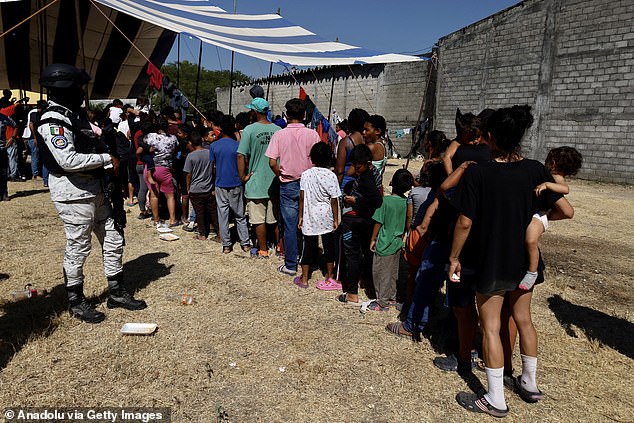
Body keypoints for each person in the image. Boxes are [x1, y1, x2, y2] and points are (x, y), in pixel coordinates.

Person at [448, 105, 574, 417]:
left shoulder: (479, 172)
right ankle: (529, 384)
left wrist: (454, 258)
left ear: (489, 136)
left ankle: (494, 398)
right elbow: (566, 211)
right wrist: (539, 222)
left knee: (490, 326)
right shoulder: (534, 170)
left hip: (491, 261)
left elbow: (464, 223)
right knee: (524, 319)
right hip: (525, 264)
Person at [36, 63, 146, 323]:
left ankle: (116, 292)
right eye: (78, 87)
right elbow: (67, 160)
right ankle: (76, 300)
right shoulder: (53, 121)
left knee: (114, 239)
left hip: (96, 190)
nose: (81, 93)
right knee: (78, 246)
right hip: (73, 193)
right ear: (63, 89)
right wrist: (106, 158)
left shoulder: (75, 117)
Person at [266, 98, 321, 276]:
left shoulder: (279, 135)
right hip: (309, 183)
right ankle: (309, 261)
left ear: (287, 115)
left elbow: (272, 161)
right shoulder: (313, 134)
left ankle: (291, 264)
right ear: (305, 115)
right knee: (309, 224)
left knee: (289, 226)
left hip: (288, 183)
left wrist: (280, 174)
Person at [520, 146, 583, 290]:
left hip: (541, 214)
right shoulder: (548, 175)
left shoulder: (556, 177)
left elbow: (565, 189)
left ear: (553, 162)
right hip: (538, 212)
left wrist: (548, 184)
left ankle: (532, 271)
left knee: (530, 240)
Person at [337, 144, 383, 304]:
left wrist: (355, 200)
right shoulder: (373, 172)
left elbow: (377, 200)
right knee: (365, 252)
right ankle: (366, 281)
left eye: (358, 166)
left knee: (352, 255)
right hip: (366, 219)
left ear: (367, 163)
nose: (355, 169)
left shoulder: (365, 178)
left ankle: (351, 293)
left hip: (354, 219)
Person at [237, 98, 281, 259]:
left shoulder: (249, 130)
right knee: (275, 218)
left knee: (258, 219)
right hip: (275, 180)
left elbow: (241, 155)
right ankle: (278, 247)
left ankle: (262, 249)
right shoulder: (278, 129)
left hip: (255, 181)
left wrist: (243, 176)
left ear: (254, 112)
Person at [295, 142, 342, 289]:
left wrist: (300, 216)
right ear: (329, 158)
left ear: (312, 158)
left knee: (308, 247)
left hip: (310, 215)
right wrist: (336, 219)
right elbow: (334, 200)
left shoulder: (306, 175)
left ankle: (304, 279)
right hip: (326, 216)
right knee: (329, 247)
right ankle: (329, 276)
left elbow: (302, 197)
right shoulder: (331, 175)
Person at [367, 169, 413, 311]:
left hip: (385, 243)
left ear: (392, 182)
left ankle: (382, 301)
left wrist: (373, 239)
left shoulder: (385, 201)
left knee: (380, 272)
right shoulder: (406, 203)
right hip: (398, 242)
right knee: (393, 272)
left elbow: (378, 222)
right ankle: (392, 297)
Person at [210, 115, 250, 252]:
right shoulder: (238, 146)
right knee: (240, 214)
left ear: (220, 128)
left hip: (220, 183)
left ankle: (226, 245)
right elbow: (244, 163)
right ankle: (245, 242)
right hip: (236, 182)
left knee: (223, 215)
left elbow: (212, 167)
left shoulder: (214, 145)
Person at [183, 131, 218, 241]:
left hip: (196, 188)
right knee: (213, 212)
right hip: (208, 187)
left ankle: (202, 234)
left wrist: (188, 187)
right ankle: (219, 231)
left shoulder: (191, 156)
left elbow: (188, 174)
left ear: (191, 143)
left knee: (199, 212)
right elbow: (213, 169)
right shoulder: (209, 153)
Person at [143, 121, 179, 227]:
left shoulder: (150, 136)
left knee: (154, 195)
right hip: (165, 168)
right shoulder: (173, 138)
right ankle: (172, 219)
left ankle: (156, 219)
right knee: (170, 195)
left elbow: (142, 142)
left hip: (150, 168)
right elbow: (175, 149)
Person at [442, 109, 489, 175]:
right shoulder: (458, 141)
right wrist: (451, 175)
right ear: (461, 137)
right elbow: (447, 157)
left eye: (478, 137)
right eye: (470, 139)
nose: (475, 141)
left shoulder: (484, 140)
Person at [22, 100, 48, 180]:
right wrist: (35, 137)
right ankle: (35, 174)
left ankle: (38, 173)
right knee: (35, 156)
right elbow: (31, 125)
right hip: (33, 137)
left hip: (35, 137)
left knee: (37, 156)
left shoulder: (37, 112)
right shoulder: (34, 113)